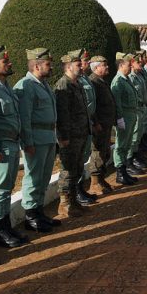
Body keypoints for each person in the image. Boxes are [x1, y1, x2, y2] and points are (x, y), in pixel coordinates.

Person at [0, 46, 28, 248]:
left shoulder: (5, 86)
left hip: (12, 143)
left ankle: (6, 226)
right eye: (5, 62)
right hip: (0, 146)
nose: (9, 64)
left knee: (7, 188)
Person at [14, 48, 60, 233]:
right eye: (48, 64)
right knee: (33, 177)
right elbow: (24, 118)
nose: (51, 67)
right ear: (36, 65)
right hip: (36, 138)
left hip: (48, 137)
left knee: (44, 177)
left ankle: (39, 211)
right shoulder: (26, 85)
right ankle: (31, 215)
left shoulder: (44, 85)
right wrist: (27, 142)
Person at [54, 53, 92, 217]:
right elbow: (62, 114)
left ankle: (74, 201)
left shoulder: (77, 84)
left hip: (81, 133)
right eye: (78, 64)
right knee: (68, 170)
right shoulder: (63, 85)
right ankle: (64, 203)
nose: (82, 67)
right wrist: (63, 137)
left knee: (77, 168)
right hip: (70, 136)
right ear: (68, 66)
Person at [88, 55, 117, 194]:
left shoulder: (101, 81)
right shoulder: (93, 82)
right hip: (99, 125)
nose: (107, 67)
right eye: (104, 65)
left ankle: (100, 179)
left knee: (105, 152)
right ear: (96, 67)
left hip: (106, 123)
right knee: (98, 153)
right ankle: (94, 182)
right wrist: (96, 122)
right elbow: (92, 106)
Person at [110, 53, 140, 185]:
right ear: (121, 65)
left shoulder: (126, 79)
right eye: (128, 65)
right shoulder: (118, 81)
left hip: (131, 115)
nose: (130, 67)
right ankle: (120, 173)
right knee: (121, 145)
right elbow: (117, 103)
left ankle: (125, 170)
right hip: (124, 116)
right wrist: (119, 118)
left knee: (127, 144)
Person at [76, 49, 98, 206]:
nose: (87, 63)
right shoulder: (75, 81)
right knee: (77, 160)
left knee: (84, 157)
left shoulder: (85, 79)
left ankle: (80, 189)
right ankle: (76, 191)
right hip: (79, 125)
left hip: (88, 122)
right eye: (85, 61)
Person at [129, 55, 147, 170]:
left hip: (141, 108)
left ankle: (136, 155)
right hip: (135, 110)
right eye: (138, 62)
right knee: (134, 136)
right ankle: (131, 159)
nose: (140, 64)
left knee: (138, 135)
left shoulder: (138, 75)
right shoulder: (130, 77)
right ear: (132, 63)